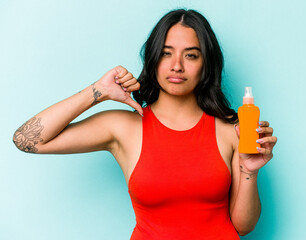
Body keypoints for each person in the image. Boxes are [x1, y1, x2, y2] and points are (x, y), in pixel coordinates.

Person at [13, 9, 277, 239]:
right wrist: (98, 91)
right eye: (166, 53)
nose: (176, 66)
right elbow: (26, 139)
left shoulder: (230, 127)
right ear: (152, 59)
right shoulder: (122, 127)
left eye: (191, 56)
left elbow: (244, 226)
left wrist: (248, 169)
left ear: (206, 64)